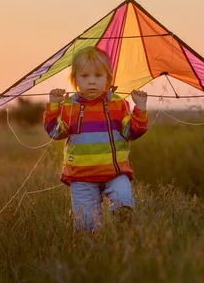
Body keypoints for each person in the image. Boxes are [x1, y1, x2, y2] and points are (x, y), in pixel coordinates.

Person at [43, 46, 148, 233]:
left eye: (98, 76)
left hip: (115, 173)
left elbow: (132, 132)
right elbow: (54, 133)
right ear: (75, 80)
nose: (92, 82)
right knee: (85, 225)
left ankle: (123, 232)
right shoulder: (70, 107)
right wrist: (53, 106)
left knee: (123, 200)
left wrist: (140, 107)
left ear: (108, 79)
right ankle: (90, 250)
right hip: (82, 176)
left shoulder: (118, 104)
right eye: (85, 76)